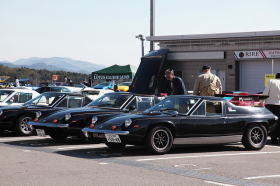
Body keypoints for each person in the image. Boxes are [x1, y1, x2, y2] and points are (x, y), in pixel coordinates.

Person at [263, 73, 280, 144]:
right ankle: (275, 139)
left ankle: (270, 138)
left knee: (270, 122)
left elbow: (265, 93)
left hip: (269, 105)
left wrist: (261, 102)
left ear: (275, 77)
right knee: (278, 122)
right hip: (279, 105)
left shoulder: (271, 81)